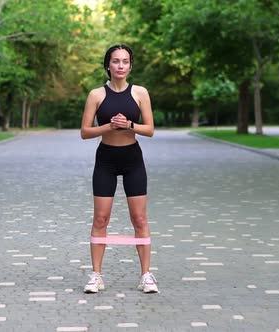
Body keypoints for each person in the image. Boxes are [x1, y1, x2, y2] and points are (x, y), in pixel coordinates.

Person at [80, 44, 158, 294]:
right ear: (108, 65)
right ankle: (96, 276)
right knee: (101, 219)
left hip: (132, 158)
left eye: (125, 61)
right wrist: (109, 128)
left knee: (140, 218)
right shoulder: (96, 95)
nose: (120, 66)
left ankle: (146, 275)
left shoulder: (140, 93)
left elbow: (150, 129)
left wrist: (130, 124)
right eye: (116, 61)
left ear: (131, 66)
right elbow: (85, 132)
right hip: (106, 159)